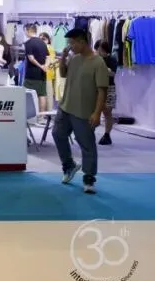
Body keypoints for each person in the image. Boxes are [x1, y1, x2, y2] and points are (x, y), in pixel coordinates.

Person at [53, 29, 109, 194]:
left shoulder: (98, 63)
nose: (70, 46)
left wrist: (97, 113)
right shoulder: (74, 58)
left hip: (83, 111)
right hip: (65, 107)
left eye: (72, 42)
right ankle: (69, 165)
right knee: (57, 134)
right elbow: (63, 74)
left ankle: (89, 177)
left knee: (87, 145)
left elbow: (102, 91)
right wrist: (63, 58)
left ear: (82, 42)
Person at [23, 23, 50, 112]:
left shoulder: (28, 43)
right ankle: (41, 117)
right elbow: (48, 57)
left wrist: (41, 66)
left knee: (27, 94)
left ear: (27, 30)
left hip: (32, 74)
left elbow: (31, 58)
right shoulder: (42, 42)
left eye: (25, 31)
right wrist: (45, 66)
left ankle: (29, 116)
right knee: (42, 94)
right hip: (42, 74)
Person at [96, 40, 118, 145]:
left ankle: (107, 134)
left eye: (99, 49)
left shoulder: (112, 59)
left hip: (109, 88)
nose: (97, 51)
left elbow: (113, 74)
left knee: (107, 112)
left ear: (103, 49)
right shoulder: (96, 59)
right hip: (98, 87)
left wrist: (104, 70)